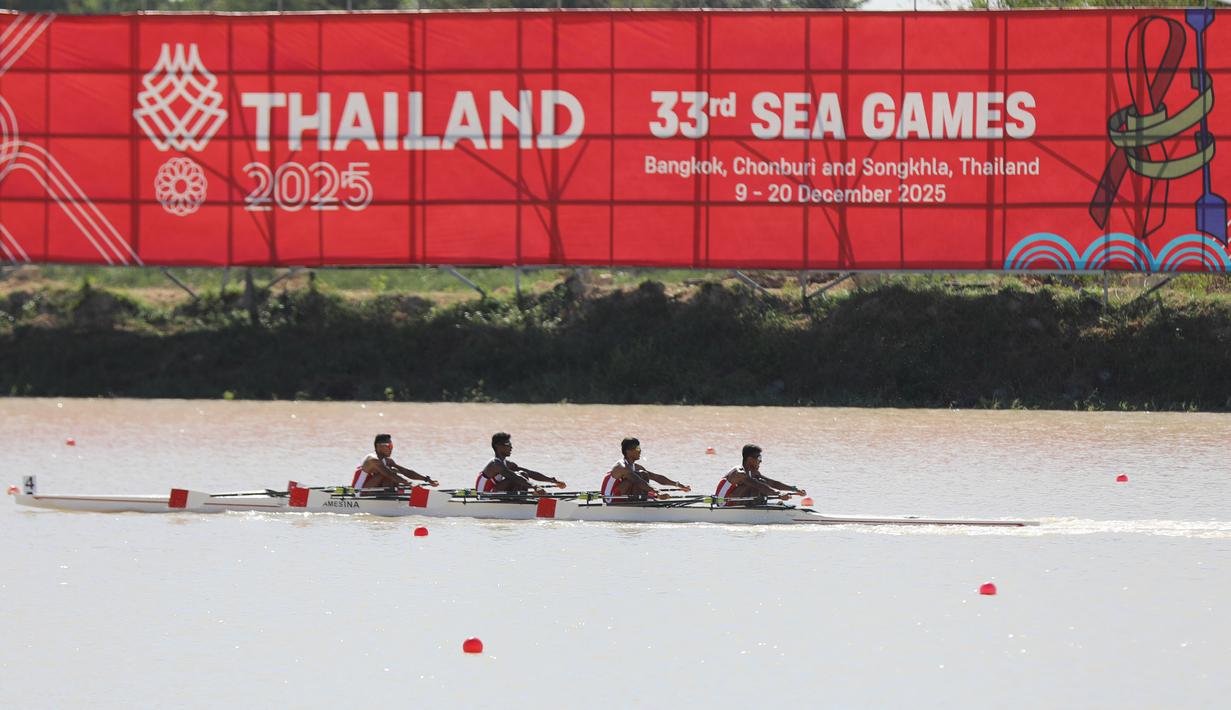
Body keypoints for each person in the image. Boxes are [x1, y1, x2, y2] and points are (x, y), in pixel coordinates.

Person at [601, 437, 691, 503]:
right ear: (628, 451)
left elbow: (656, 477)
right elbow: (638, 481)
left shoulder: (635, 466)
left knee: (644, 474)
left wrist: (678, 485)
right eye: (637, 448)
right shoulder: (622, 467)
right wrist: (658, 493)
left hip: (622, 495)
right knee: (637, 477)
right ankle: (641, 502)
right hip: (610, 498)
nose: (640, 451)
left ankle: (643, 501)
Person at [475, 432, 567, 494]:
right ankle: (521, 500)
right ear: (497, 446)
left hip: (495, 492)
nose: (511, 447)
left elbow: (530, 473)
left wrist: (552, 480)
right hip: (485, 496)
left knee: (524, 474)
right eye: (508, 445)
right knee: (519, 476)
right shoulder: (495, 464)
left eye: (511, 445)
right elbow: (513, 477)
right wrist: (535, 486)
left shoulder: (507, 463)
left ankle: (522, 499)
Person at [713, 444, 805, 505]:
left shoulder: (753, 472)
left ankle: (758, 505)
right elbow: (758, 485)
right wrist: (779, 494)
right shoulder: (739, 473)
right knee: (757, 483)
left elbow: (772, 483)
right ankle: (756, 507)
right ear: (750, 459)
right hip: (723, 502)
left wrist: (794, 489)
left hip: (735, 499)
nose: (760, 461)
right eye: (759, 458)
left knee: (762, 481)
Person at [353, 434, 438, 492]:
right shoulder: (372, 459)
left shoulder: (388, 460)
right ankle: (390, 497)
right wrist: (410, 484)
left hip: (373, 488)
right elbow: (389, 474)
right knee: (389, 472)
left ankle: (392, 495)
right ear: (379, 446)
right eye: (389, 446)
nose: (391, 448)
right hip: (359, 491)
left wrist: (427, 480)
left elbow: (406, 472)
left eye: (392, 446)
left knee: (393, 470)